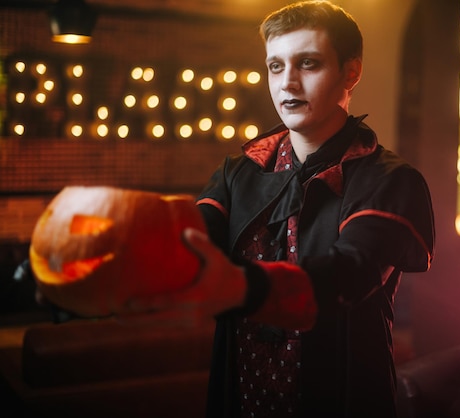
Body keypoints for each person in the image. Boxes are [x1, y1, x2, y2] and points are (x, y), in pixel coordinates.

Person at [128, 1, 435, 417]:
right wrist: (123, 260)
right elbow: (190, 239)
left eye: (307, 63)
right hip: (241, 395)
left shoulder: (388, 179)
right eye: (276, 66)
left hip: (340, 398)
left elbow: (349, 273)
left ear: (351, 72)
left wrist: (238, 285)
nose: (287, 83)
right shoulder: (240, 171)